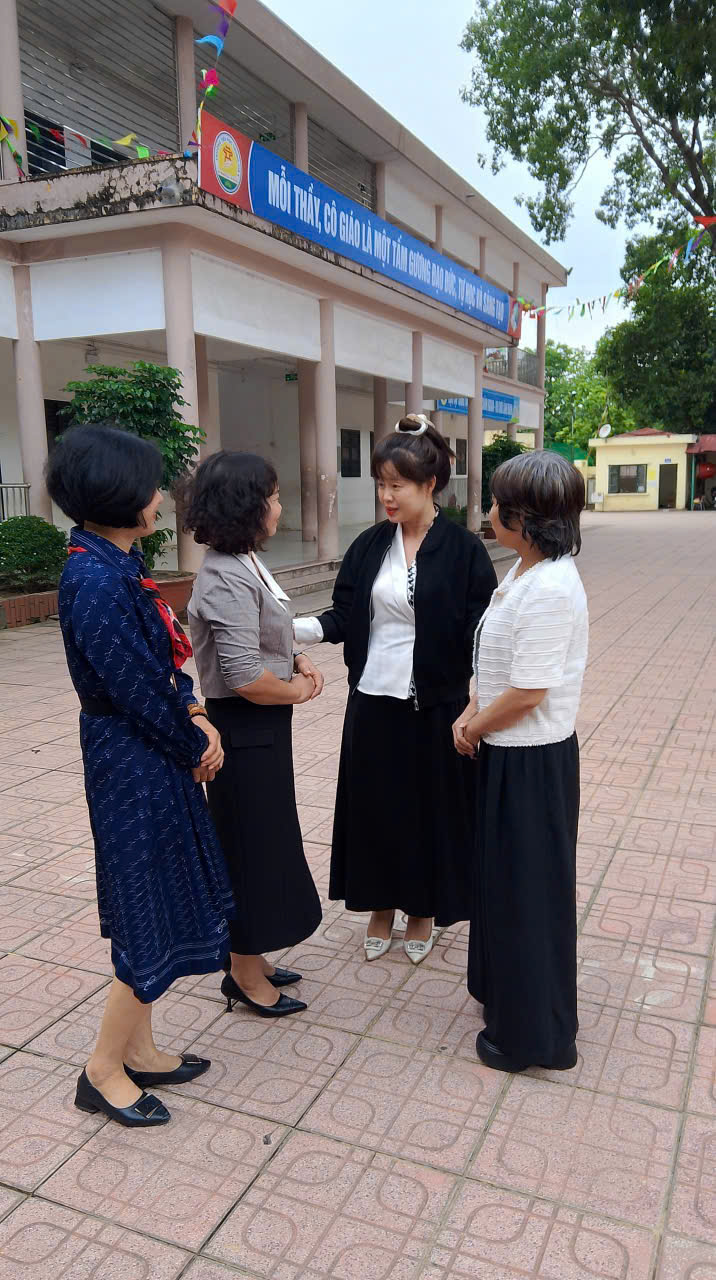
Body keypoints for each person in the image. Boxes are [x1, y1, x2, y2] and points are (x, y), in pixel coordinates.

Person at [46, 423, 234, 1128]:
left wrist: (192, 713)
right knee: (142, 899)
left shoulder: (116, 562)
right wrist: (193, 736)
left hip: (149, 746)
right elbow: (133, 687)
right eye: (152, 484)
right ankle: (101, 1069)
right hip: (131, 759)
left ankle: (142, 1046)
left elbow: (159, 670)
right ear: (120, 493)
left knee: (153, 891)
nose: (160, 496)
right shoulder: (92, 577)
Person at [293, 414, 497, 963]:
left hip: (437, 704)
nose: (386, 495)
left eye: (397, 485)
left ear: (430, 485)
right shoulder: (368, 547)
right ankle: (380, 906)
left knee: (430, 809)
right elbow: (343, 613)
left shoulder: (462, 551)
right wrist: (292, 629)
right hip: (374, 699)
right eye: (381, 484)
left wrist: (480, 703)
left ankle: (423, 909)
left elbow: (484, 630)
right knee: (377, 807)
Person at [454, 450, 588, 1073]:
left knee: (530, 895)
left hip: (531, 761)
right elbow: (501, 666)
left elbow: (531, 691)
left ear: (522, 518)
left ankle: (536, 1038)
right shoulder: (524, 571)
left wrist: (472, 726)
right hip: (510, 752)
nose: (486, 512)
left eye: (495, 503)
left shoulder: (551, 588)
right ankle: (508, 1002)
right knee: (506, 887)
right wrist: (473, 708)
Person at [183, 451, 323, 1017]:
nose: (280, 505)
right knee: (250, 847)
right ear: (249, 506)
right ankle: (241, 970)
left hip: (263, 727)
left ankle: (252, 954)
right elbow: (243, 676)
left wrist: (297, 658)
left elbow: (269, 631)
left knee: (266, 840)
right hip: (243, 728)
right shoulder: (222, 576)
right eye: (273, 496)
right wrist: (298, 690)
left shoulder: (243, 562)